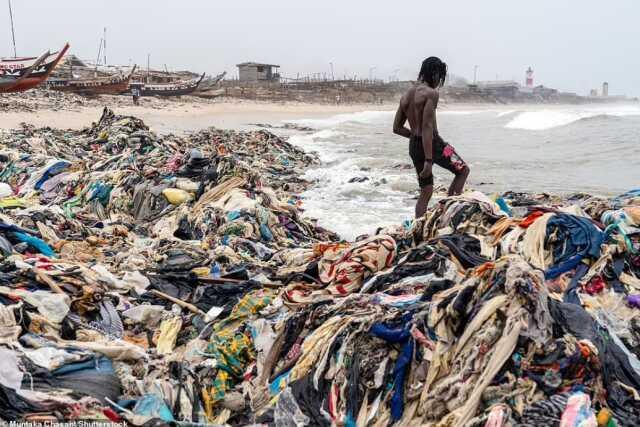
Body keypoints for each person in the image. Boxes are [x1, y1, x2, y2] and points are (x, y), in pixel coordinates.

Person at [393, 57, 470, 218]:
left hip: (414, 146)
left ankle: (419, 228)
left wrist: (415, 138)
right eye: (440, 77)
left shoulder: (406, 95)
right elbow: (428, 127)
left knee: (426, 190)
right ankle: (450, 215)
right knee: (463, 170)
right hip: (435, 144)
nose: (439, 82)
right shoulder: (431, 94)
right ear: (434, 74)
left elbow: (397, 128)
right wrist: (429, 160)